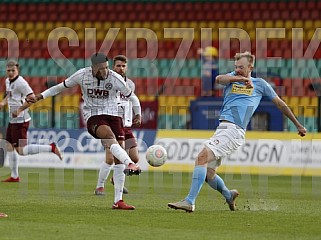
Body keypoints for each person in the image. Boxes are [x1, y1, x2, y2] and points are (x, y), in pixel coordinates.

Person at [168, 51, 306, 212]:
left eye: (241, 67)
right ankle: (228, 195)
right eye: (236, 67)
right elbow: (219, 79)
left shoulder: (260, 84)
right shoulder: (232, 78)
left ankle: (189, 201)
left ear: (250, 66)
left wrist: (297, 124)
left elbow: (280, 103)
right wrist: (240, 78)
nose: (237, 69)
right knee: (209, 173)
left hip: (234, 130)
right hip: (223, 129)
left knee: (202, 157)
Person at [16, 53, 141, 210]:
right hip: (94, 115)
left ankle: (118, 201)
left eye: (107, 68)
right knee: (110, 138)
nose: (105, 72)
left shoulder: (114, 77)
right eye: (102, 69)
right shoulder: (82, 75)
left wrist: (138, 114)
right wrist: (40, 96)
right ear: (93, 68)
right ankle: (129, 163)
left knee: (117, 158)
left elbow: (133, 98)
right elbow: (60, 87)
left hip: (114, 115)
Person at [0, 60, 62, 183]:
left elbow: (32, 98)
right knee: (9, 145)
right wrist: (3, 102)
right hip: (13, 120)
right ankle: (14, 176)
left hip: (21, 120)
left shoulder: (21, 83)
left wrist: (19, 110)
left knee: (21, 151)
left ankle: (51, 147)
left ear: (18, 70)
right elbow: (9, 95)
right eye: (9, 70)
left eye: (13, 70)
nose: (11, 73)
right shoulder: (8, 81)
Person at [94, 55, 140, 196]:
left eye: (123, 66)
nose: (121, 68)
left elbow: (131, 99)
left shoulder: (130, 84)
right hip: (111, 124)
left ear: (126, 67)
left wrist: (136, 114)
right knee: (110, 157)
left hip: (126, 125)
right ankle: (99, 186)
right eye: (118, 66)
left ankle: (116, 178)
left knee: (135, 157)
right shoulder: (107, 81)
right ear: (113, 67)